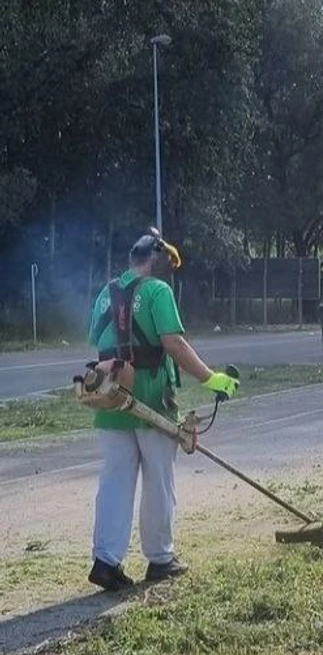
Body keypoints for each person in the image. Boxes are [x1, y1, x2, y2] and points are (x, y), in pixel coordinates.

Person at [86, 230, 240, 591]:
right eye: (168, 262)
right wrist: (212, 379)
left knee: (114, 480)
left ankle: (106, 561)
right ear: (155, 260)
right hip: (151, 398)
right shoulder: (157, 291)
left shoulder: (105, 292)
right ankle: (160, 559)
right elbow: (173, 343)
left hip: (110, 397)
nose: (170, 270)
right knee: (158, 479)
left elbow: (98, 341)